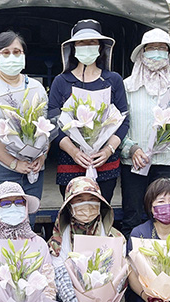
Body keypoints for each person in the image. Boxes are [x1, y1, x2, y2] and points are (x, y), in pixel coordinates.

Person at [120, 28, 170, 236]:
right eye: (152, 49)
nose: (157, 54)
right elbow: (117, 124)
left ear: (168, 55)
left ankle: (161, 259)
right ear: (142, 54)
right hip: (135, 162)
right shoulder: (127, 86)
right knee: (133, 214)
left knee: (164, 214)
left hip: (166, 162)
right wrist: (131, 148)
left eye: (162, 49)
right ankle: (132, 261)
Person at [47, 19, 129, 202]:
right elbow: (53, 122)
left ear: (100, 47)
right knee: (74, 213)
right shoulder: (61, 81)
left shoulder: (113, 80)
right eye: (82, 43)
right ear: (73, 48)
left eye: (92, 42)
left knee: (101, 212)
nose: (87, 46)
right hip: (70, 163)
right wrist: (74, 152)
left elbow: (124, 120)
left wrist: (108, 150)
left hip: (105, 163)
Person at [48, 176, 126, 302]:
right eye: (79, 200)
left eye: (92, 200)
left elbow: (119, 276)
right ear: (69, 206)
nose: (87, 205)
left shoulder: (116, 237)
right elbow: (60, 277)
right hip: (70, 301)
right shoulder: (58, 240)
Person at [0, 31, 49, 208]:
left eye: (17, 52)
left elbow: (45, 128)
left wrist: (43, 156)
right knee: (2, 222)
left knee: (27, 223)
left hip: (32, 168)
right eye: (5, 53)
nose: (12, 56)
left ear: (24, 56)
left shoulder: (36, 87)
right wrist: (14, 163)